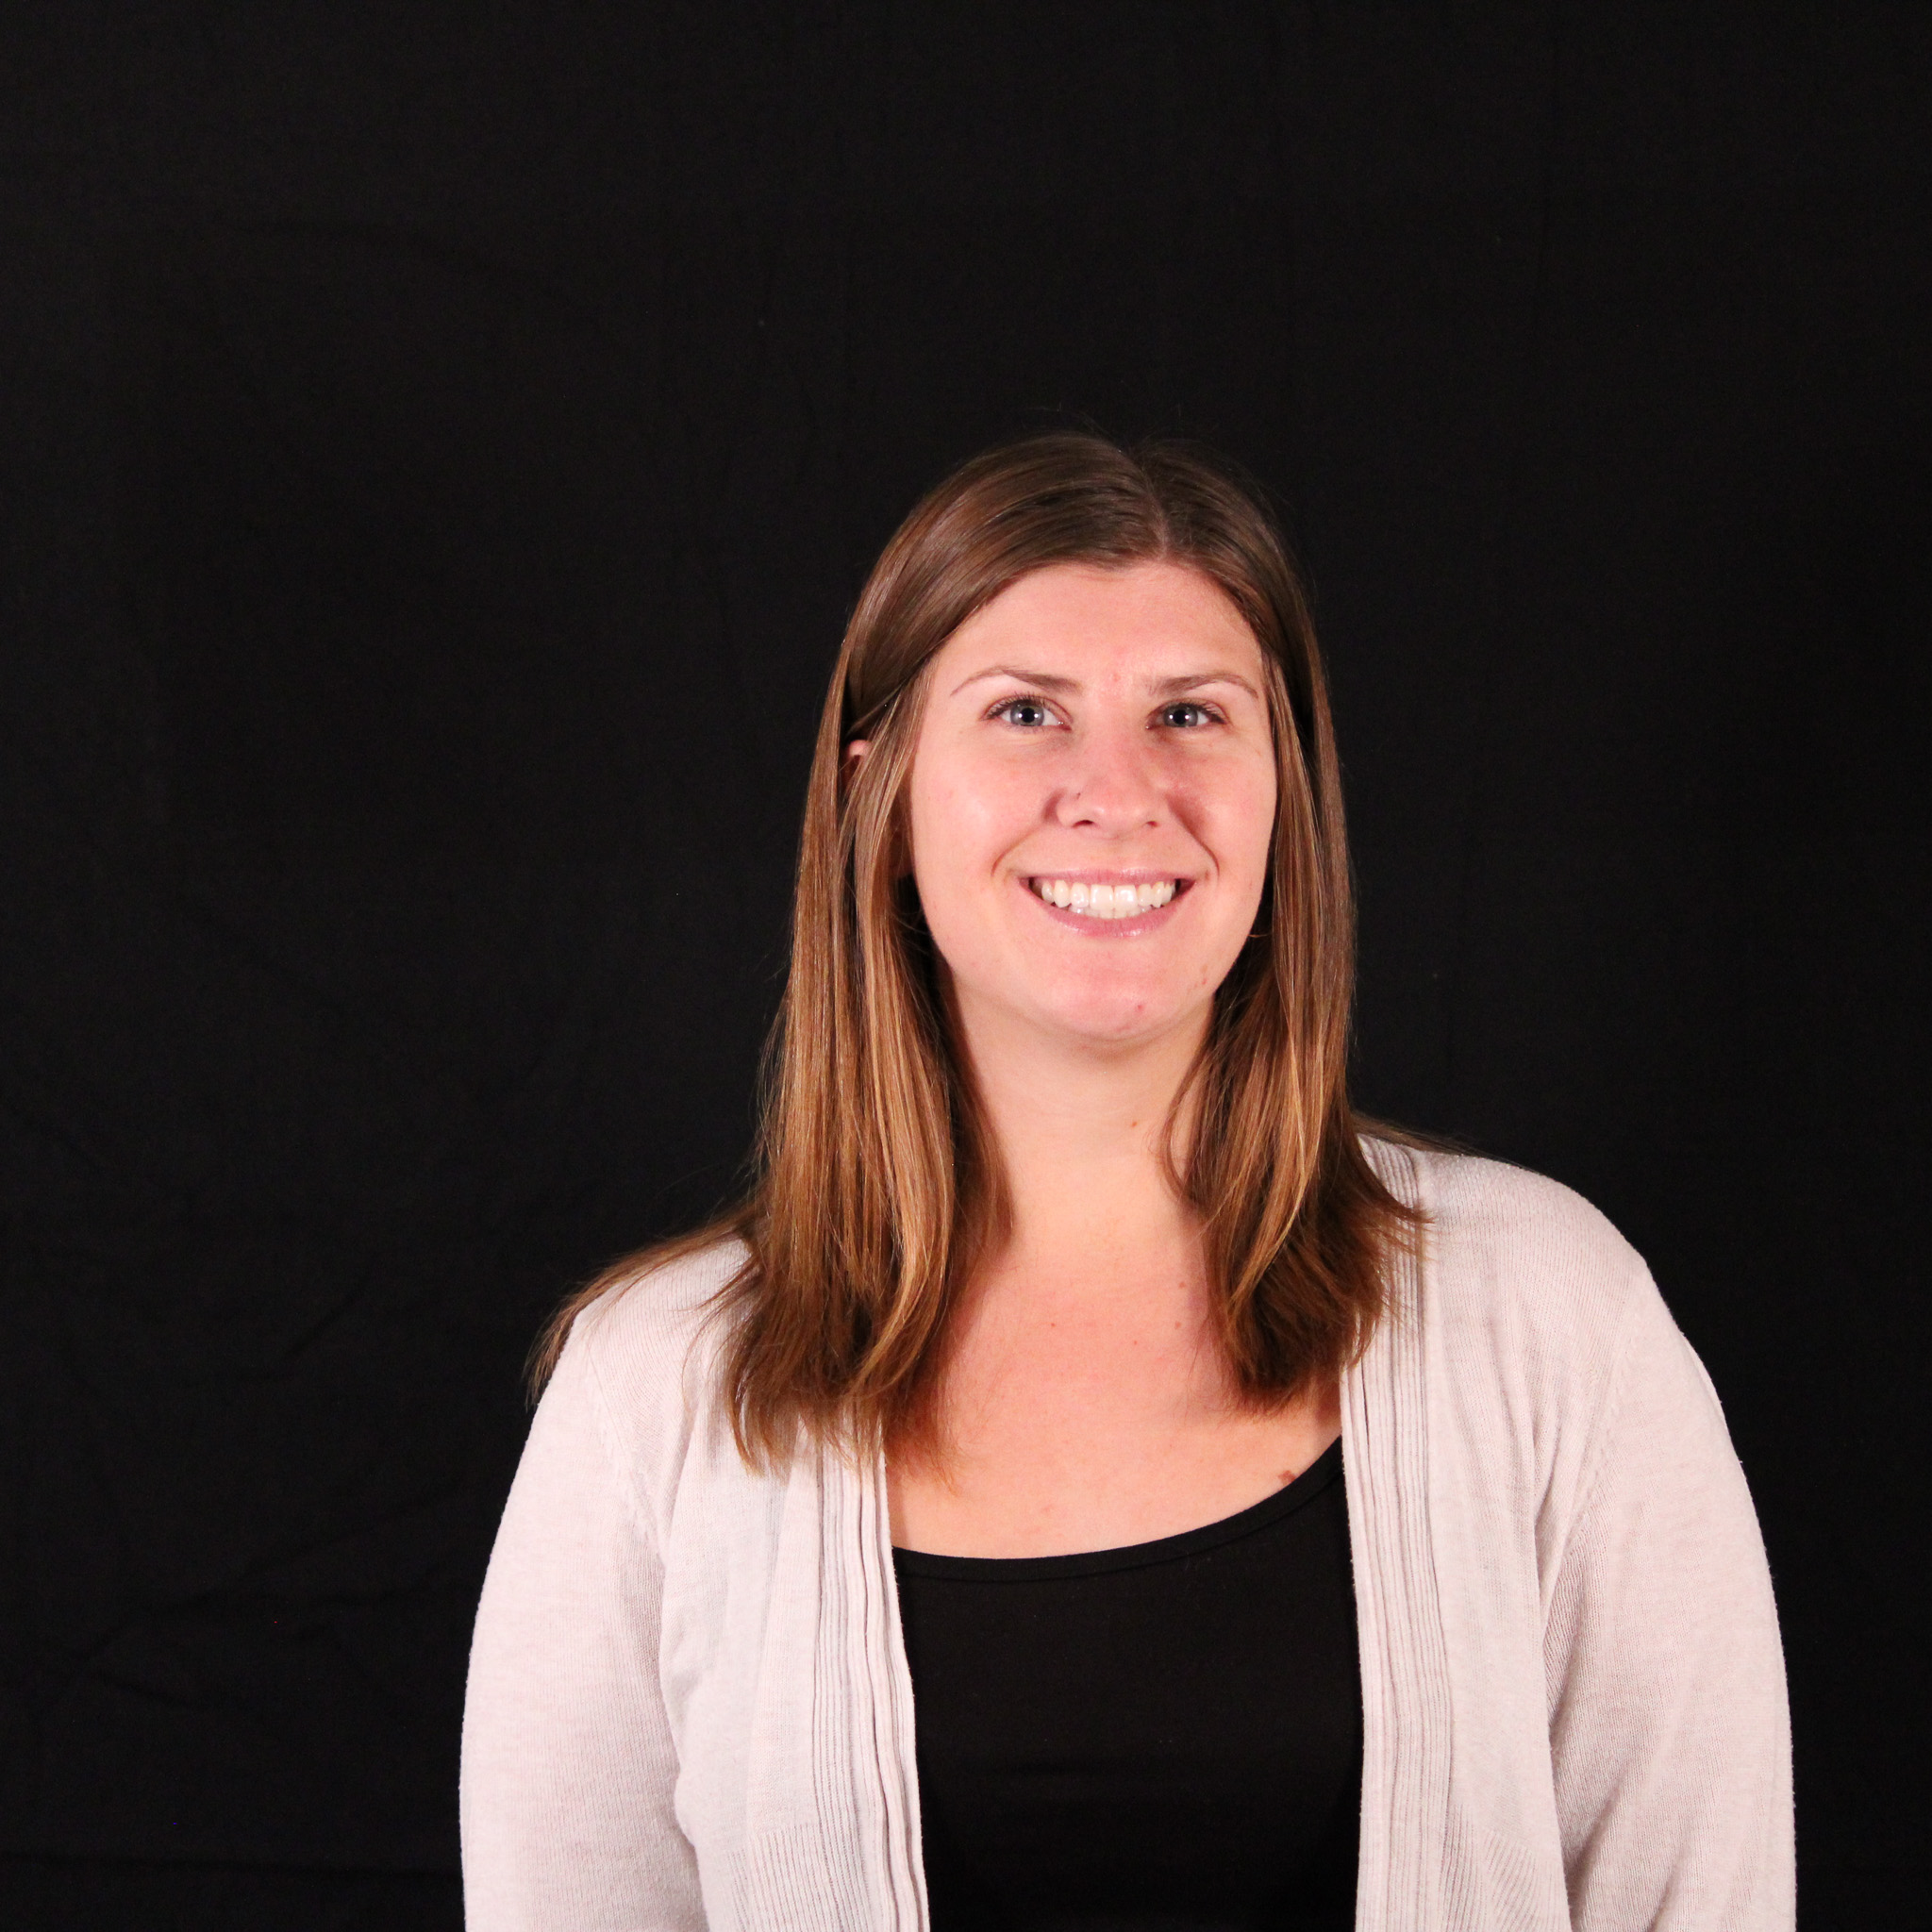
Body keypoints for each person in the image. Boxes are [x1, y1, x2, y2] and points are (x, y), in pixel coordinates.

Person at [458, 435, 1793, 1931]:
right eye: (1026, 712)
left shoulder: (1554, 1321)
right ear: (877, 803)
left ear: (1285, 787)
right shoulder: (653, 1397)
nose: (1120, 791)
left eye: (1191, 714)